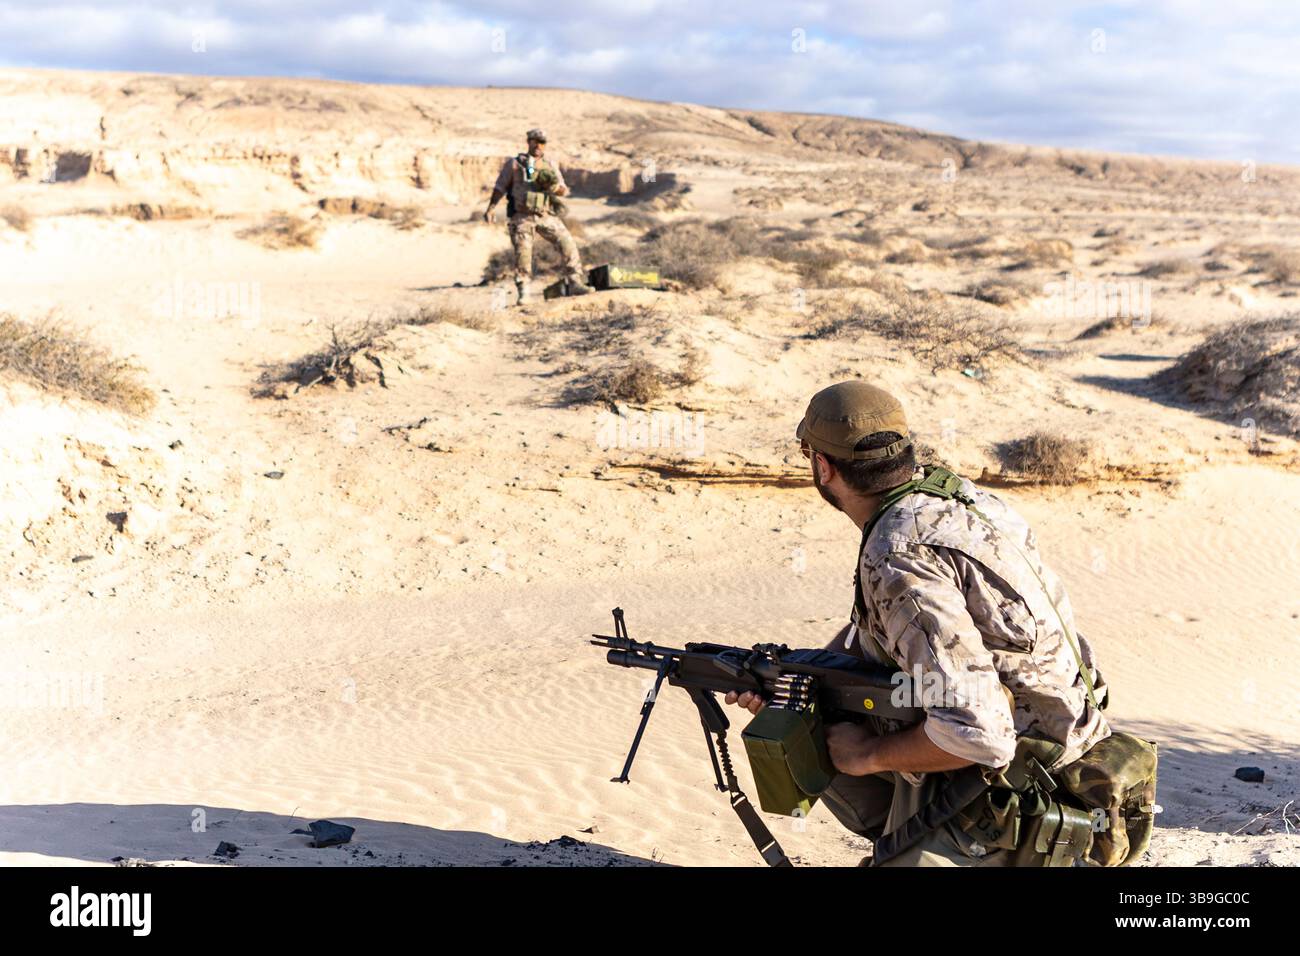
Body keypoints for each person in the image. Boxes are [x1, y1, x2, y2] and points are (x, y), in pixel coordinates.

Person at [728, 380, 1111, 865]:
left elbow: (980, 735)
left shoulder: (897, 555)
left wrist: (866, 754)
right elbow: (893, 638)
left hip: (1026, 781)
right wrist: (800, 678)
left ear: (822, 467)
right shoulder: (959, 499)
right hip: (1069, 739)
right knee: (817, 711)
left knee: (842, 743)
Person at [483, 128, 591, 305]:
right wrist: (491, 208)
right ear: (529, 142)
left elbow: (564, 190)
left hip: (546, 215)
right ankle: (524, 292)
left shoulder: (550, 165)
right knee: (523, 255)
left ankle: (575, 282)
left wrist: (552, 186)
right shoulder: (515, 164)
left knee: (568, 244)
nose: (539, 145)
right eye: (535, 141)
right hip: (522, 217)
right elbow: (500, 187)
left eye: (542, 142)